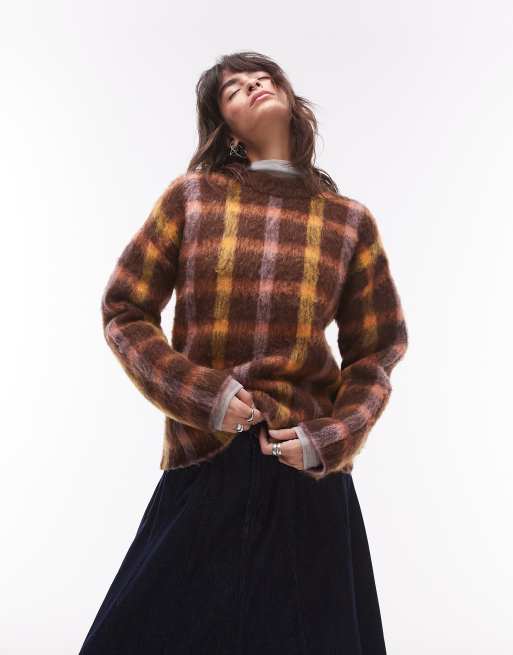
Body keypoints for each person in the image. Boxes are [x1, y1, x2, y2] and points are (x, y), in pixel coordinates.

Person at [79, 50, 408, 654]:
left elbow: (378, 350)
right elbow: (124, 311)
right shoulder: (191, 199)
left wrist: (330, 438)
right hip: (207, 460)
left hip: (306, 475)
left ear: (291, 101)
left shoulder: (349, 223)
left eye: (265, 77)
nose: (254, 85)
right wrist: (205, 396)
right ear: (224, 127)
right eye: (234, 88)